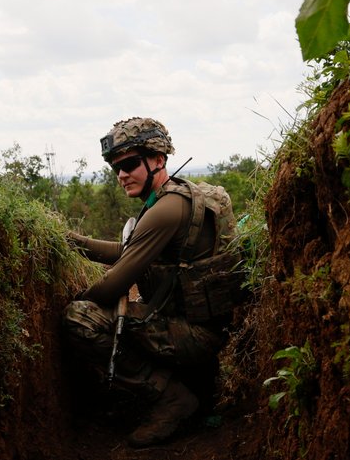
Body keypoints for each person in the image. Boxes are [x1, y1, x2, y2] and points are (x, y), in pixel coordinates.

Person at [62, 117, 237, 448]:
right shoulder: (177, 197)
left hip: (195, 338)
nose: (122, 175)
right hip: (199, 329)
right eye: (117, 168)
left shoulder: (166, 209)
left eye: (129, 164)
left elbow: (114, 285)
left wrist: (79, 296)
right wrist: (72, 241)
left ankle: (172, 399)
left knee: (80, 317)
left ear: (158, 160)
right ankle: (181, 389)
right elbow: (129, 250)